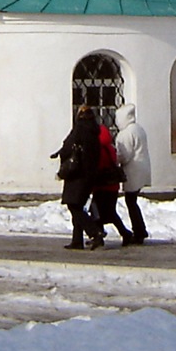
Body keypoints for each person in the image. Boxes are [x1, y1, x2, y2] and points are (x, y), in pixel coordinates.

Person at [51, 105, 101, 250]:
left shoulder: (79, 129)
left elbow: (68, 147)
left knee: (73, 205)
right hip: (90, 174)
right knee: (78, 205)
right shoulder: (94, 131)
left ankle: (94, 232)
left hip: (77, 175)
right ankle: (77, 240)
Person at [89, 121, 134, 248]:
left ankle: (102, 234)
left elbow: (98, 166)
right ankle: (123, 233)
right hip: (112, 186)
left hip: (101, 185)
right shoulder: (110, 148)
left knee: (97, 210)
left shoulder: (98, 149)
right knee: (109, 212)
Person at [114, 102, 151, 244]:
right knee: (132, 201)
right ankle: (140, 229)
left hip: (133, 171)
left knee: (130, 201)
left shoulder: (126, 133)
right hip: (141, 168)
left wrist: (116, 159)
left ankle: (139, 230)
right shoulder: (138, 129)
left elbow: (125, 155)